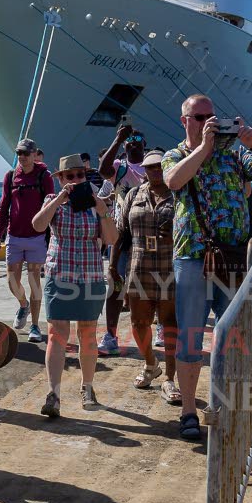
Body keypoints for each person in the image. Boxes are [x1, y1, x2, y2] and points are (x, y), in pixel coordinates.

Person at [162, 95, 252, 441]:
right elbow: (173, 182)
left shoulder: (234, 153)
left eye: (211, 116)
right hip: (193, 257)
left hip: (233, 257)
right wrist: (203, 148)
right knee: (191, 336)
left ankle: (227, 406)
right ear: (184, 120)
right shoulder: (176, 154)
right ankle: (188, 412)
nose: (207, 121)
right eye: (199, 117)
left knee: (233, 337)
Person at [31, 154, 118, 417]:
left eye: (80, 175)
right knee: (57, 335)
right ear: (61, 180)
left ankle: (87, 387)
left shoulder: (97, 204)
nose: (76, 180)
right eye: (70, 176)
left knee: (88, 334)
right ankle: (54, 394)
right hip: (60, 274)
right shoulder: (53, 201)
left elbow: (112, 238)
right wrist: (59, 200)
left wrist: (102, 212)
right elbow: (37, 225)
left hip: (90, 276)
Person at [111, 149, 179, 403]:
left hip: (170, 266)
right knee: (139, 323)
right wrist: (113, 266)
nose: (156, 171)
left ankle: (171, 379)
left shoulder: (178, 193)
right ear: (145, 170)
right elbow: (122, 233)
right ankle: (151, 363)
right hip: (139, 267)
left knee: (170, 324)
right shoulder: (133, 194)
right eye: (151, 167)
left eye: (160, 166)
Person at [0, 139, 53, 343]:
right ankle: (23, 304)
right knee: (12, 280)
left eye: (26, 153)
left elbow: (51, 206)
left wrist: (52, 236)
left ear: (35, 154)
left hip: (36, 237)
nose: (22, 157)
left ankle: (35, 325)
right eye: (19, 153)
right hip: (15, 236)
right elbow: (3, 206)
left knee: (34, 280)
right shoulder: (10, 177)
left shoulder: (44, 176)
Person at [96, 124, 149, 357]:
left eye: (138, 138)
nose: (134, 141)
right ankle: (111, 334)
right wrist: (118, 139)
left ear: (144, 144)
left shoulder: (152, 165)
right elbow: (102, 168)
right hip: (121, 234)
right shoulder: (119, 167)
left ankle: (155, 328)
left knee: (151, 284)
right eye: (131, 138)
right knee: (116, 284)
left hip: (148, 232)